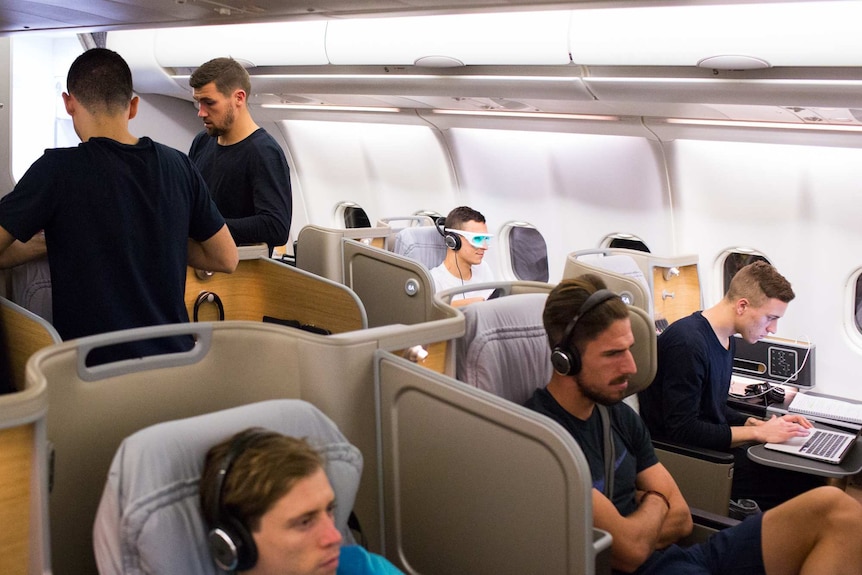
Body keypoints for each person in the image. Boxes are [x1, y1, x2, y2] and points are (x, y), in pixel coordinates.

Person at [524, 276, 862, 575]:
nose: (630, 366)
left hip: (688, 556)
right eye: (613, 354)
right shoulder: (548, 443)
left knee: (838, 508)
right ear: (565, 359)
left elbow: (683, 519)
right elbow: (630, 551)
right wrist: (656, 499)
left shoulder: (619, 416)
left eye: (629, 349)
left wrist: (646, 505)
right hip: (655, 566)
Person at [0, 48, 237, 363]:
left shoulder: (56, 170)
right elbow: (226, 257)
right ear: (134, 106)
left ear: (69, 103)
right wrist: (156, 235)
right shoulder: (178, 164)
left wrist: (57, 238)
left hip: (99, 374)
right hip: (178, 363)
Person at [638, 261, 823, 511]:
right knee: (801, 483)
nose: (773, 329)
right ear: (743, 306)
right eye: (771, 318)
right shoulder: (688, 344)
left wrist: (753, 423)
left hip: (710, 444)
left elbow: (713, 405)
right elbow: (682, 430)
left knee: (806, 473)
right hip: (691, 457)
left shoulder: (726, 338)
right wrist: (758, 435)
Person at [200, 428, 403, 575]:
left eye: (330, 509)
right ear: (239, 543)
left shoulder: (363, 567)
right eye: (305, 522)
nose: (335, 537)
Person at [189, 57, 292, 256]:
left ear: (238, 98)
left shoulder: (264, 152)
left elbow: (276, 226)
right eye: (198, 103)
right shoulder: (202, 142)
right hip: (202, 269)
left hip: (241, 276)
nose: (201, 113)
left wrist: (208, 226)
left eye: (209, 103)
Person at [430, 206, 495, 307]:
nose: (485, 247)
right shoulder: (434, 281)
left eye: (485, 239)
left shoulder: (483, 268)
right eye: (477, 239)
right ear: (453, 240)